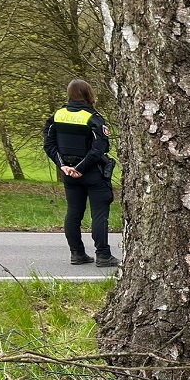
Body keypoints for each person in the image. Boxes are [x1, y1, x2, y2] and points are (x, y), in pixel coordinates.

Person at [43, 79, 118, 267]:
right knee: (99, 214)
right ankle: (103, 255)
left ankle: (77, 254)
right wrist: (81, 167)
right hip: (93, 173)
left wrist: (63, 166)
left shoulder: (57, 116)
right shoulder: (93, 117)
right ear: (88, 94)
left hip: (68, 173)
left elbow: (49, 144)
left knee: (73, 213)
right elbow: (100, 147)